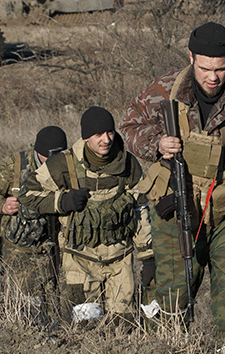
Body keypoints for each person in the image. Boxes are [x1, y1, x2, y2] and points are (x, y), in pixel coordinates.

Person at [119, 21, 225, 341]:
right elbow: (129, 128)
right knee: (174, 290)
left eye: (220, 68)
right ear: (191, 57)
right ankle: (167, 352)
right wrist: (157, 144)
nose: (213, 76)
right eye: (205, 68)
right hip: (176, 206)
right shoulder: (165, 89)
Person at [19, 107, 154, 323]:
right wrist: (62, 201)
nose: (106, 139)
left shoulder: (127, 164)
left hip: (120, 262)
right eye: (98, 134)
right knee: (86, 327)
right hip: (80, 262)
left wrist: (147, 256)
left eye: (109, 132)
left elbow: (140, 211)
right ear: (86, 137)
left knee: (123, 325)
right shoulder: (65, 164)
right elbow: (27, 193)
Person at [0, 125, 68, 314]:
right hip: (19, 250)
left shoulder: (66, 166)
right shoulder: (15, 165)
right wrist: (2, 205)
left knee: (57, 300)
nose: (51, 164)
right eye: (47, 159)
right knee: (25, 303)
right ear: (38, 152)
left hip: (54, 246)